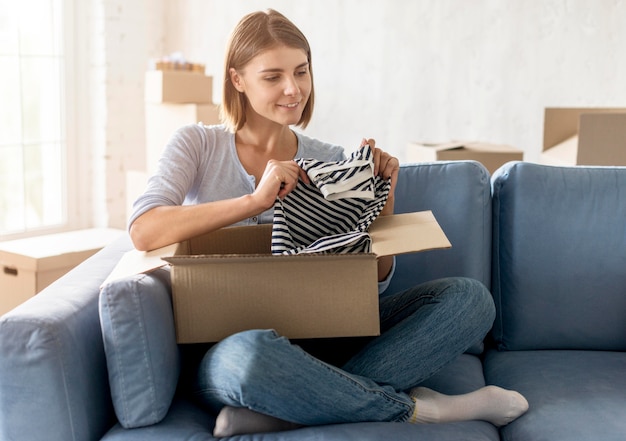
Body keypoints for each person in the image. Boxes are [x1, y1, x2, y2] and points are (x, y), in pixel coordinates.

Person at [129, 8, 528, 438]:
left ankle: (295, 409)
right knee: (249, 358)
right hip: (231, 347)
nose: (293, 89)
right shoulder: (197, 144)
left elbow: (371, 284)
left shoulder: (332, 161)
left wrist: (384, 204)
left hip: (327, 340)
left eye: (301, 72)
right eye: (273, 76)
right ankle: (421, 410)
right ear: (237, 80)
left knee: (470, 299)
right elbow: (143, 229)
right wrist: (254, 201)